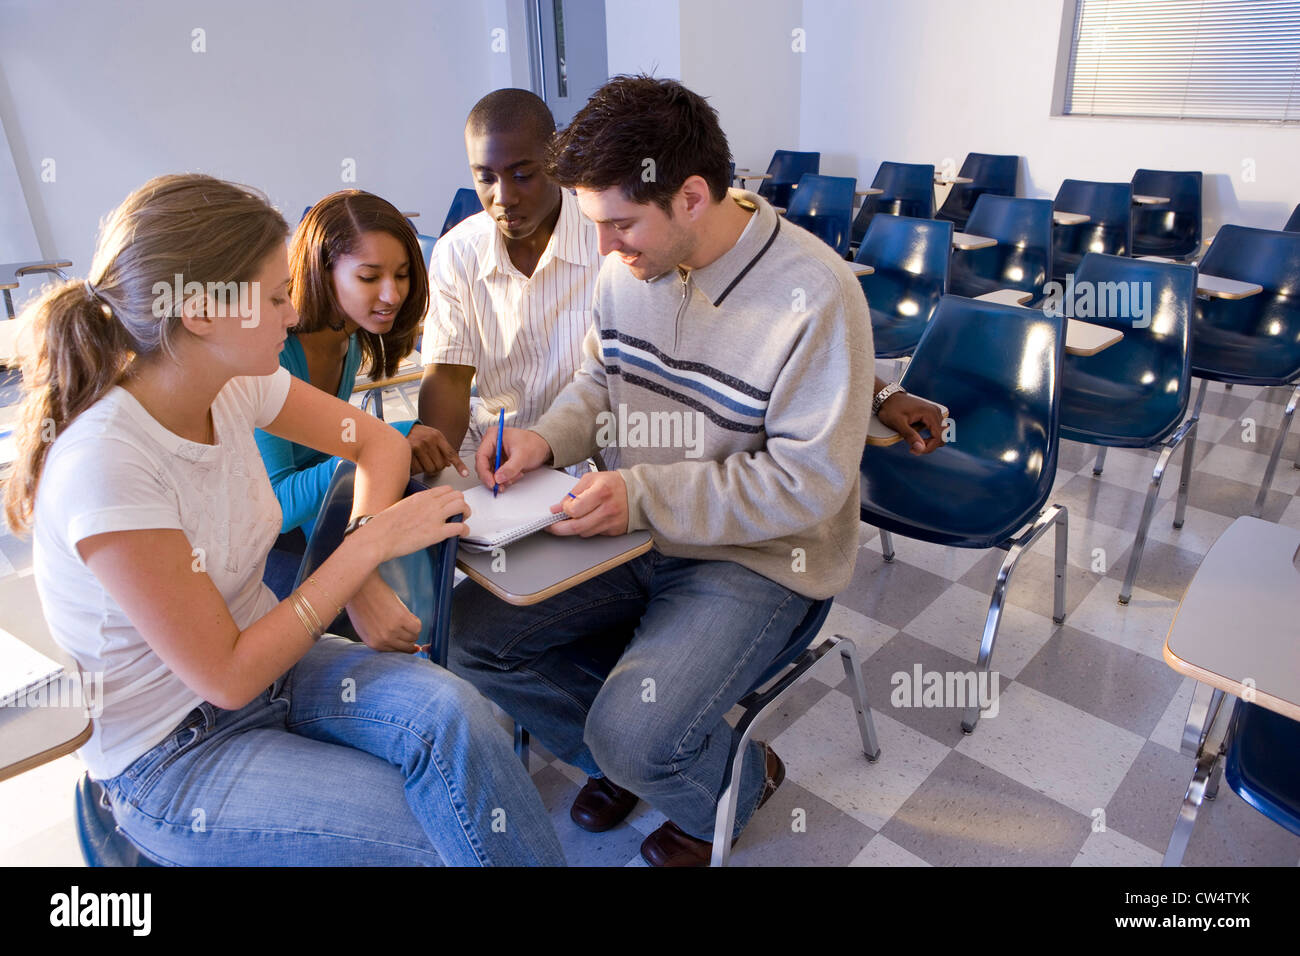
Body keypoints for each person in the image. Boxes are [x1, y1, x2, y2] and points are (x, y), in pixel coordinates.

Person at [449, 76, 942, 868]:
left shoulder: (816, 295)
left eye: (620, 225)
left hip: (759, 557)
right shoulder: (628, 268)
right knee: (469, 640)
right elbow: (598, 384)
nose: (604, 249)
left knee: (630, 732)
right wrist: (544, 440)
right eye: (596, 225)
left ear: (691, 196)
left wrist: (642, 494)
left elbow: (805, 486)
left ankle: (727, 780)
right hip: (635, 528)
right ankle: (636, 760)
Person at [3, 173, 563, 866]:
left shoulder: (232, 380)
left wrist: (363, 573)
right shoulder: (108, 464)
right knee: (433, 827)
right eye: (274, 298)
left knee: (457, 715)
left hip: (279, 669)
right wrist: (367, 553)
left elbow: (378, 443)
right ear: (202, 312)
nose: (294, 315)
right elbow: (229, 677)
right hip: (174, 755)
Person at [256, 191, 467, 598]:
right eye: (369, 278)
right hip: (257, 550)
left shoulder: (347, 338)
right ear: (322, 272)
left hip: (303, 526)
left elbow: (315, 455)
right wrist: (386, 441)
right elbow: (277, 506)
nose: (391, 295)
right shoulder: (274, 354)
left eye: (403, 274)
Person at [418, 88, 601, 465]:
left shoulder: (605, 240)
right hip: (492, 449)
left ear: (556, 160)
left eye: (522, 175)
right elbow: (448, 378)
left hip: (588, 451)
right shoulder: (457, 253)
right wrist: (446, 475)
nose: (503, 197)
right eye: (485, 178)